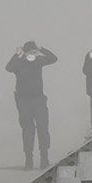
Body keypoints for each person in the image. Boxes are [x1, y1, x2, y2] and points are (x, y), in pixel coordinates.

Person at [7, 41, 57, 169]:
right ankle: (28, 160)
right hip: (24, 101)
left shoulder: (38, 61)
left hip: (39, 100)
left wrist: (41, 48)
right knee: (27, 130)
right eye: (30, 53)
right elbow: (9, 68)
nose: (32, 56)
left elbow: (53, 59)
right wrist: (17, 54)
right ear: (25, 53)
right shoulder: (19, 62)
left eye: (34, 53)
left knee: (43, 128)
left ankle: (44, 159)